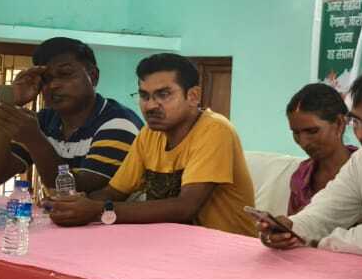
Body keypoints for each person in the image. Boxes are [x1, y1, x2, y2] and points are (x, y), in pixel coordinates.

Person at [49, 53, 257, 236]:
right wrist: (72, 205)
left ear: (193, 96)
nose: (150, 106)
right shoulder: (149, 135)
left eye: (163, 94)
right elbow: (114, 192)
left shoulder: (215, 129)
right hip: (172, 245)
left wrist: (97, 210)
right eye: (144, 96)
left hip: (226, 251)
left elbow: (185, 207)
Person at [257, 65, 362, 255]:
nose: (361, 134)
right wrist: (290, 228)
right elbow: (326, 212)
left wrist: (319, 243)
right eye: (356, 121)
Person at [0, 37, 141, 193]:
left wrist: (35, 140)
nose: (53, 85)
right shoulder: (45, 120)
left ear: (93, 76)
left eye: (65, 74)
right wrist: (7, 112)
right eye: (46, 79)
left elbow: (80, 191)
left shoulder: (119, 123)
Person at [285, 82, 355, 213]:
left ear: (339, 124)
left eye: (312, 131)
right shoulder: (301, 176)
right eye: (296, 133)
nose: (303, 143)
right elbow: (293, 223)